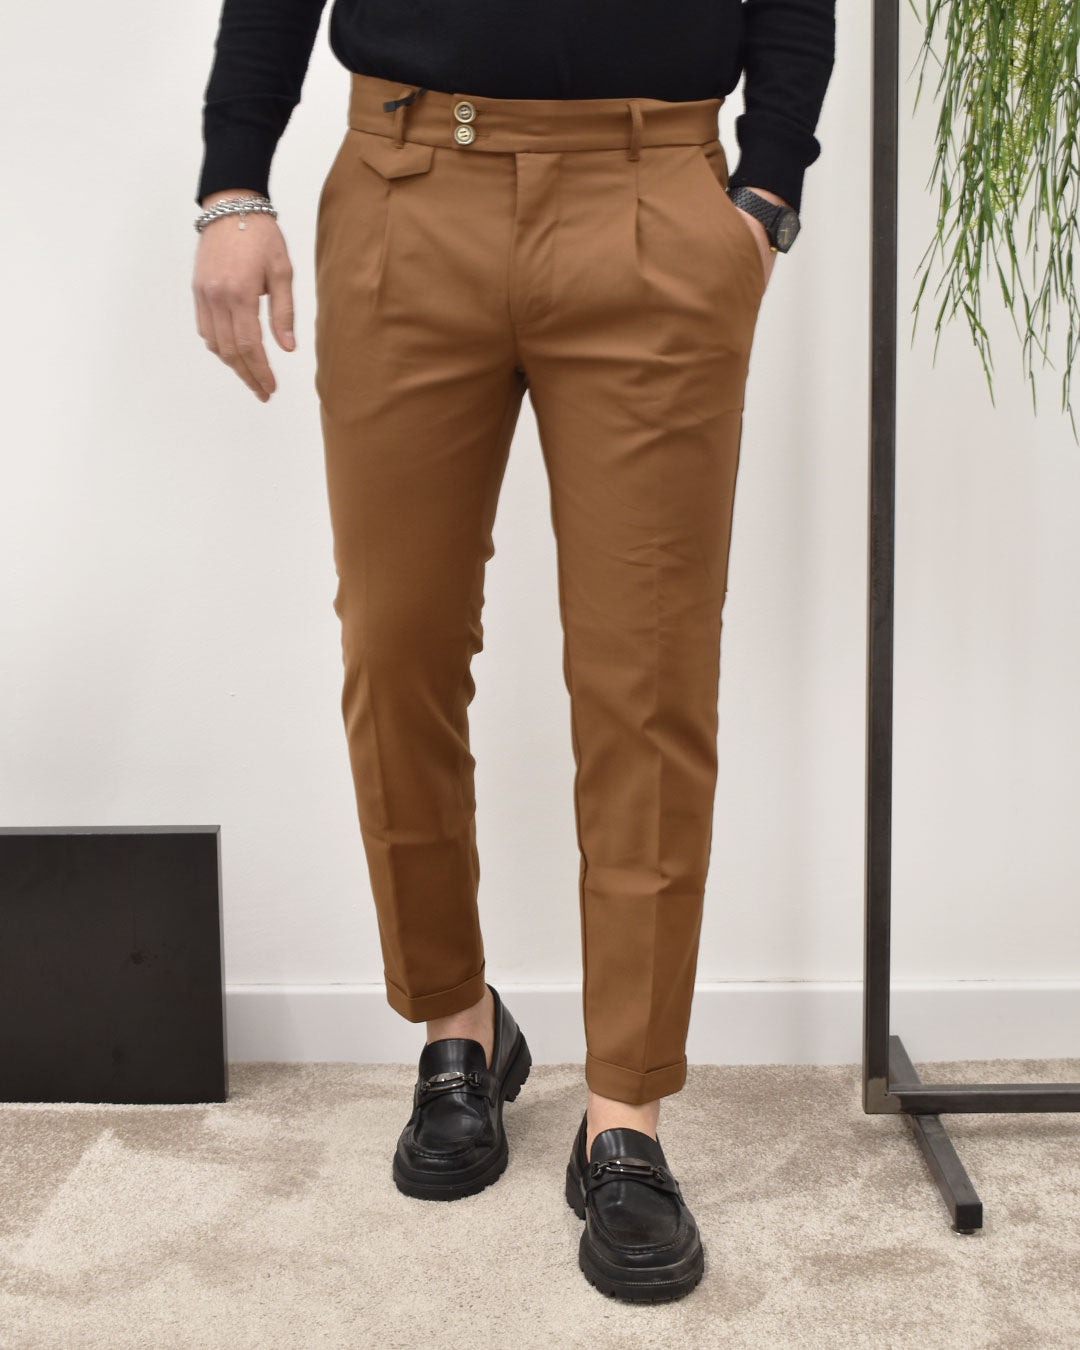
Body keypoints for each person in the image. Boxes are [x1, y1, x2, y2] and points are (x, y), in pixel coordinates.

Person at [192, 0, 835, 1304]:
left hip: (655, 189)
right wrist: (231, 182)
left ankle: (626, 1112)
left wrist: (766, 191)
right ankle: (459, 1025)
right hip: (408, 184)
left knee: (648, 676)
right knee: (397, 641)